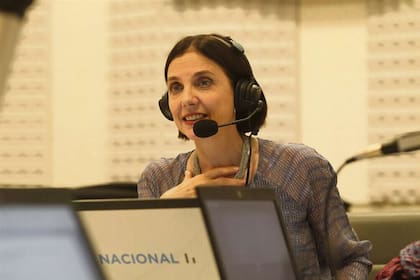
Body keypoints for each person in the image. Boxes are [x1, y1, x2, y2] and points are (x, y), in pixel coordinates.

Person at [137, 33, 372, 279]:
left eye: (204, 82)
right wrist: (163, 214)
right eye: (176, 87)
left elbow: (352, 260)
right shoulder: (158, 179)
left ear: (243, 95)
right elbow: (146, 272)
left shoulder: (299, 168)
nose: (187, 99)